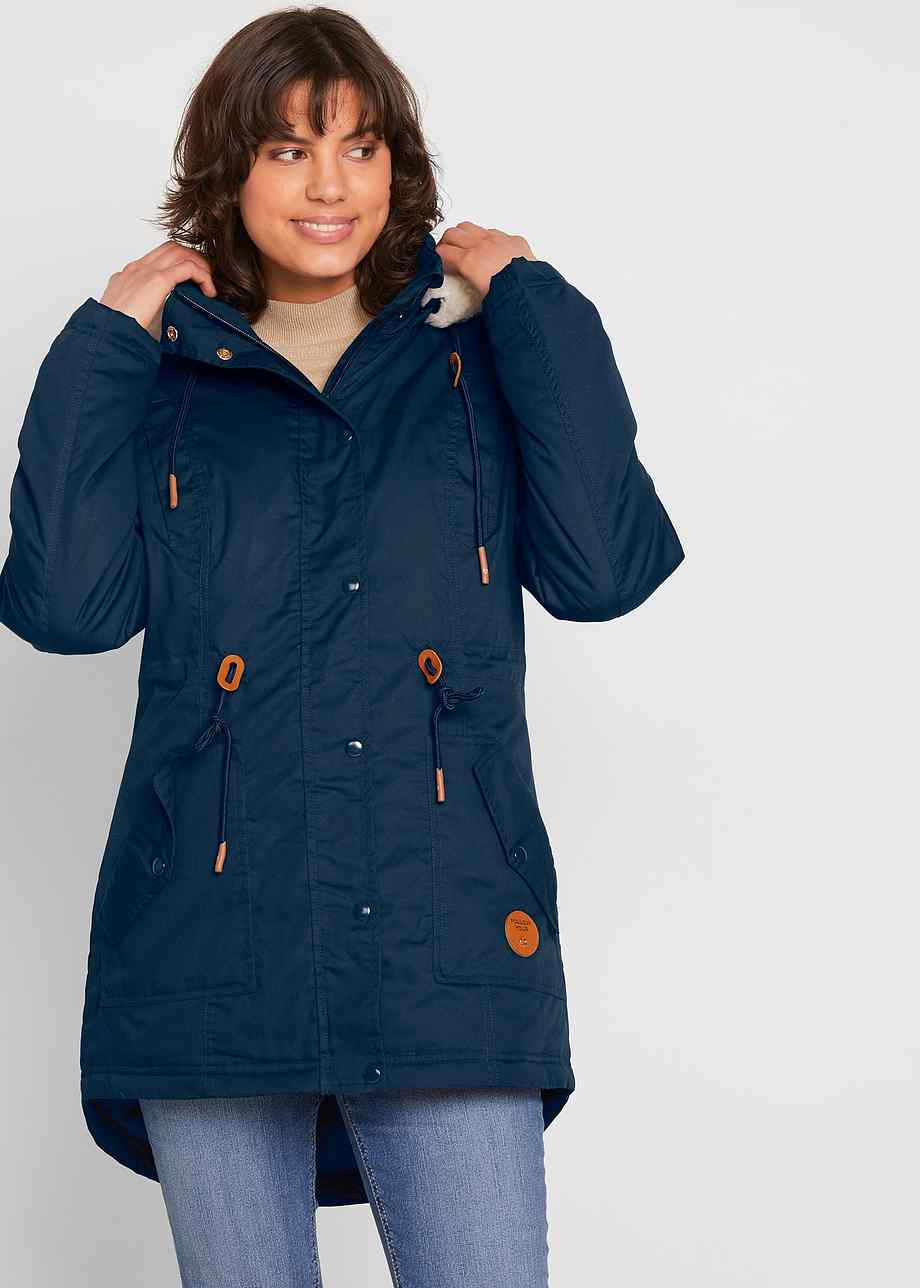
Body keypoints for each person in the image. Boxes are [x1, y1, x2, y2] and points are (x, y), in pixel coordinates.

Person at [0, 7, 684, 1287]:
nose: (329, 186)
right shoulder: (159, 374)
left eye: (359, 148)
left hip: (446, 941)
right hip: (208, 943)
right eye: (287, 149)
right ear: (227, 169)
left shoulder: (477, 353)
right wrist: (104, 342)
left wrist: (533, 305)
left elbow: (601, 574)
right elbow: (68, 610)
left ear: (395, 165)